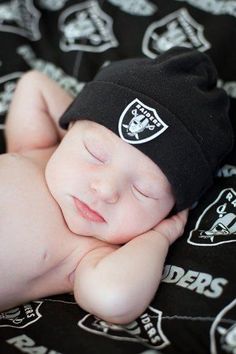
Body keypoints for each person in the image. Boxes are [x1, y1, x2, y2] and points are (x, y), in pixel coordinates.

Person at [1, 47, 232, 324]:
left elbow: (113, 299)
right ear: (72, 126)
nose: (106, 190)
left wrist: (158, 237)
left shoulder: (90, 252)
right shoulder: (39, 149)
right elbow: (34, 84)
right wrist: (80, 124)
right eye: (95, 153)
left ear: (169, 211)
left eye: (143, 190)